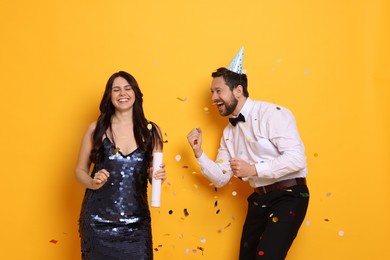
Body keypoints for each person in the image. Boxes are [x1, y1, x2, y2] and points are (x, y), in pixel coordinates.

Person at [187, 47, 309, 260]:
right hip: (259, 199)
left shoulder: (272, 114)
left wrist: (252, 169)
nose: (213, 98)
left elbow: (296, 159)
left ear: (238, 90)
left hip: (289, 196)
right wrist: (198, 153)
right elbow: (222, 177)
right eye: (211, 92)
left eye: (218, 91)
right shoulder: (228, 133)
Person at [75, 71, 166, 260]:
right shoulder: (96, 129)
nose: (122, 94)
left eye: (127, 88)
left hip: (137, 224)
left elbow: (152, 174)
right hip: (97, 223)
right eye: (116, 90)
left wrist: (156, 176)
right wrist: (92, 182)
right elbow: (80, 171)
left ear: (136, 94)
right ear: (109, 96)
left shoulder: (152, 131)